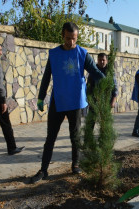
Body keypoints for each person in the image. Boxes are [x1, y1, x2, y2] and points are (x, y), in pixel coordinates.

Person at [30, 22, 105, 184]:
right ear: (63, 35)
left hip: (76, 101)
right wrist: (41, 97)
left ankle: (75, 164)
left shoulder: (82, 54)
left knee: (75, 136)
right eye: (69, 38)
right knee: (51, 137)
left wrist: (108, 84)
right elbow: (46, 77)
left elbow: (95, 71)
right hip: (58, 100)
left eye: (75, 38)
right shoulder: (54, 54)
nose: (72, 42)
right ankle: (43, 169)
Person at [86, 52, 118, 129]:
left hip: (106, 100)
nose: (102, 62)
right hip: (94, 99)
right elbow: (89, 85)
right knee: (91, 120)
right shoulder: (93, 71)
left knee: (105, 121)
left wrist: (113, 101)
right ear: (97, 60)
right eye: (100, 60)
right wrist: (89, 99)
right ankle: (89, 136)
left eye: (103, 60)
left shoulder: (110, 72)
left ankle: (103, 137)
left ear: (106, 60)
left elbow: (114, 88)